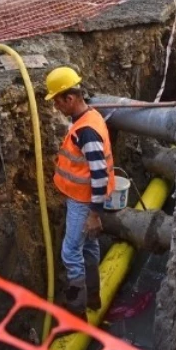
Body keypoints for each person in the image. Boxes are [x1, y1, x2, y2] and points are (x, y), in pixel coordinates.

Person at [46, 66, 115, 316]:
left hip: (83, 201)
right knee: (88, 248)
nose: (56, 107)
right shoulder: (89, 118)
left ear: (70, 98)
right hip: (84, 199)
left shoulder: (86, 131)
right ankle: (93, 298)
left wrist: (94, 214)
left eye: (57, 101)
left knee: (70, 252)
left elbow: (99, 174)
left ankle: (76, 312)